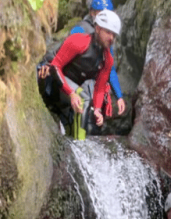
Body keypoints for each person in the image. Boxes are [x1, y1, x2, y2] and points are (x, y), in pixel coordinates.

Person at [37, 9, 121, 138]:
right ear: (98, 29)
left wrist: (98, 110)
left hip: (69, 89)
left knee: (85, 103)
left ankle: (76, 143)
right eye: (108, 32)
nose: (111, 38)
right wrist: (71, 93)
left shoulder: (107, 59)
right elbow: (55, 66)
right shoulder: (79, 41)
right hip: (53, 80)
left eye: (114, 35)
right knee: (83, 98)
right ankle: (78, 142)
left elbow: (99, 88)